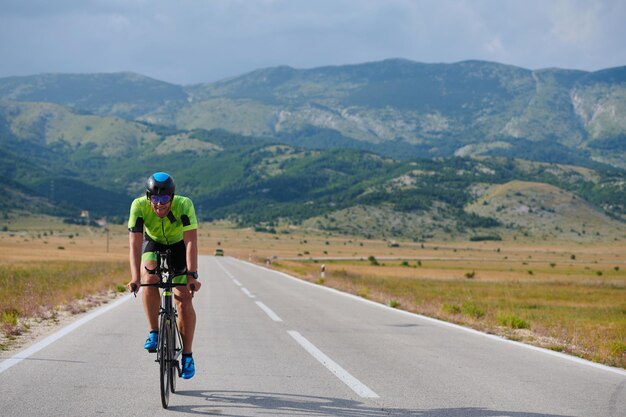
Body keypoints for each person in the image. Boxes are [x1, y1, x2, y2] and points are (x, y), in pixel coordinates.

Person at [127, 172, 201, 379]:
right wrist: (135, 277)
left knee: (183, 297)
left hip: (179, 245)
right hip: (153, 241)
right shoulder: (138, 206)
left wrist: (192, 275)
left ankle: (187, 355)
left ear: (172, 197)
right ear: (148, 196)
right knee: (149, 278)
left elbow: (190, 242)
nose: (159, 204)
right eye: (155, 199)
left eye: (164, 199)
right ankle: (154, 332)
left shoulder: (185, 205)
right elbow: (134, 245)